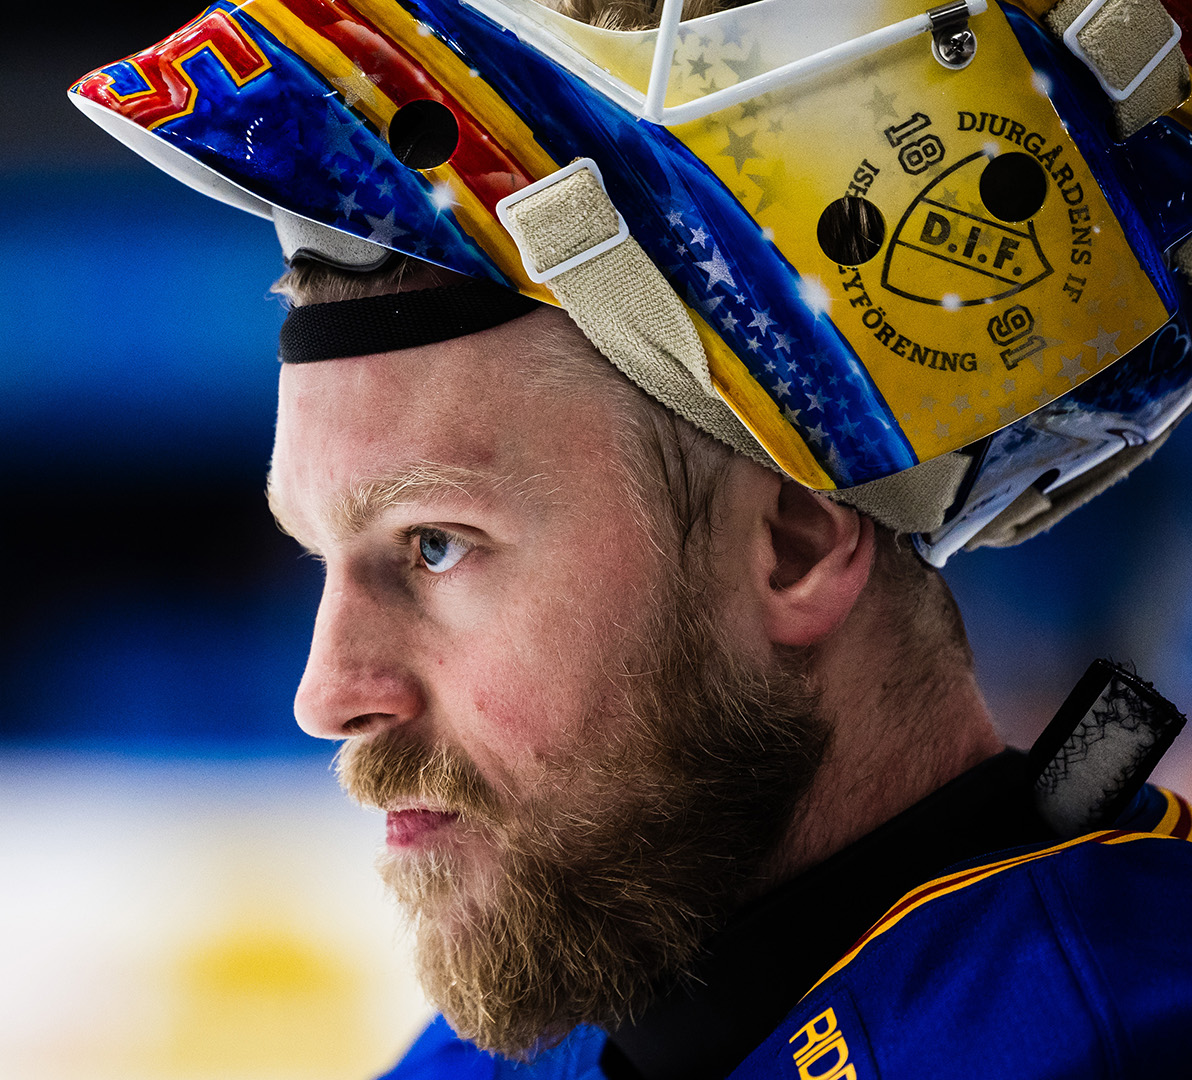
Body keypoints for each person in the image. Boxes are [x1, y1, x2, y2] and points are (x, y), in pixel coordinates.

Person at [69, 0, 1192, 1075]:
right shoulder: (546, 1027)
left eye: (435, 544)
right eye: (323, 557)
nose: (326, 695)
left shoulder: (1124, 1037)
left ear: (793, 546)